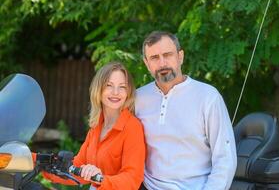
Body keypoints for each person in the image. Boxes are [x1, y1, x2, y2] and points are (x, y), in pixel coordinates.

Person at [135, 31, 237, 190]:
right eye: (154, 58)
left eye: (167, 55)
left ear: (180, 56)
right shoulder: (137, 98)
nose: (162, 63)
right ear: (146, 63)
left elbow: (225, 159)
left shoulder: (208, 97)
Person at [41, 61, 146, 190]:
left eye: (122, 87)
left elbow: (132, 179)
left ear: (128, 92)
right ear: (99, 89)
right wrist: (39, 164)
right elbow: (77, 167)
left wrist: (100, 178)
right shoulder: (96, 126)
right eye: (109, 85)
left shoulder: (132, 127)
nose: (116, 92)